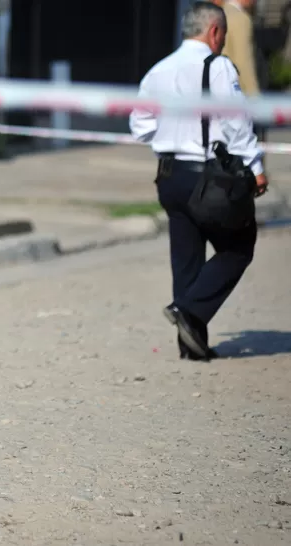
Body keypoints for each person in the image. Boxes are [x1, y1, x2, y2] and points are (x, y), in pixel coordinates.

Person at [129, 1, 267, 361]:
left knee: (186, 258)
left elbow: (140, 126)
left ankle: (191, 345)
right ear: (215, 32)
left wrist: (173, 135)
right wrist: (255, 166)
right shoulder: (218, 66)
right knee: (238, 247)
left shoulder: (159, 70)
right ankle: (188, 309)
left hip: (169, 176)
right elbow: (237, 122)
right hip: (207, 178)